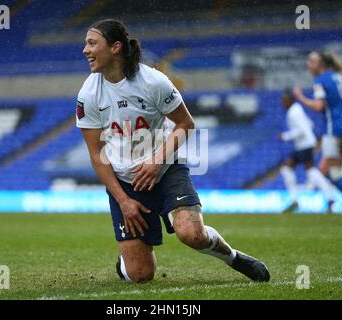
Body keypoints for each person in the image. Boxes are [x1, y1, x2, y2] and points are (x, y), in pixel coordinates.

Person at [76, 19, 270, 283]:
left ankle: (234, 258)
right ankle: (127, 261)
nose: (85, 50)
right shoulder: (88, 93)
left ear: (115, 48)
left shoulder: (153, 82)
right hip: (126, 182)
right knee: (140, 275)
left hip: (166, 169)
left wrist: (156, 161)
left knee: (192, 234)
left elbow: (185, 124)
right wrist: (124, 201)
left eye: (92, 43)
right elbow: (96, 153)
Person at [293, 51, 342, 225]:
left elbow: (318, 106)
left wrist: (301, 98)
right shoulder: (339, 78)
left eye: (311, 62)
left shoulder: (320, 81)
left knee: (332, 174)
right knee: (334, 172)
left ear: (321, 64)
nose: (308, 65)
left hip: (334, 130)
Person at [279, 88, 335, 214]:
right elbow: (310, 124)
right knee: (287, 168)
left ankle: (330, 197)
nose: (282, 103)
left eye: (284, 100)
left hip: (304, 145)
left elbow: (302, 130)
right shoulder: (297, 109)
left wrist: (285, 136)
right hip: (303, 145)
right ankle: (296, 200)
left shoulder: (293, 112)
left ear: (289, 101)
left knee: (309, 171)